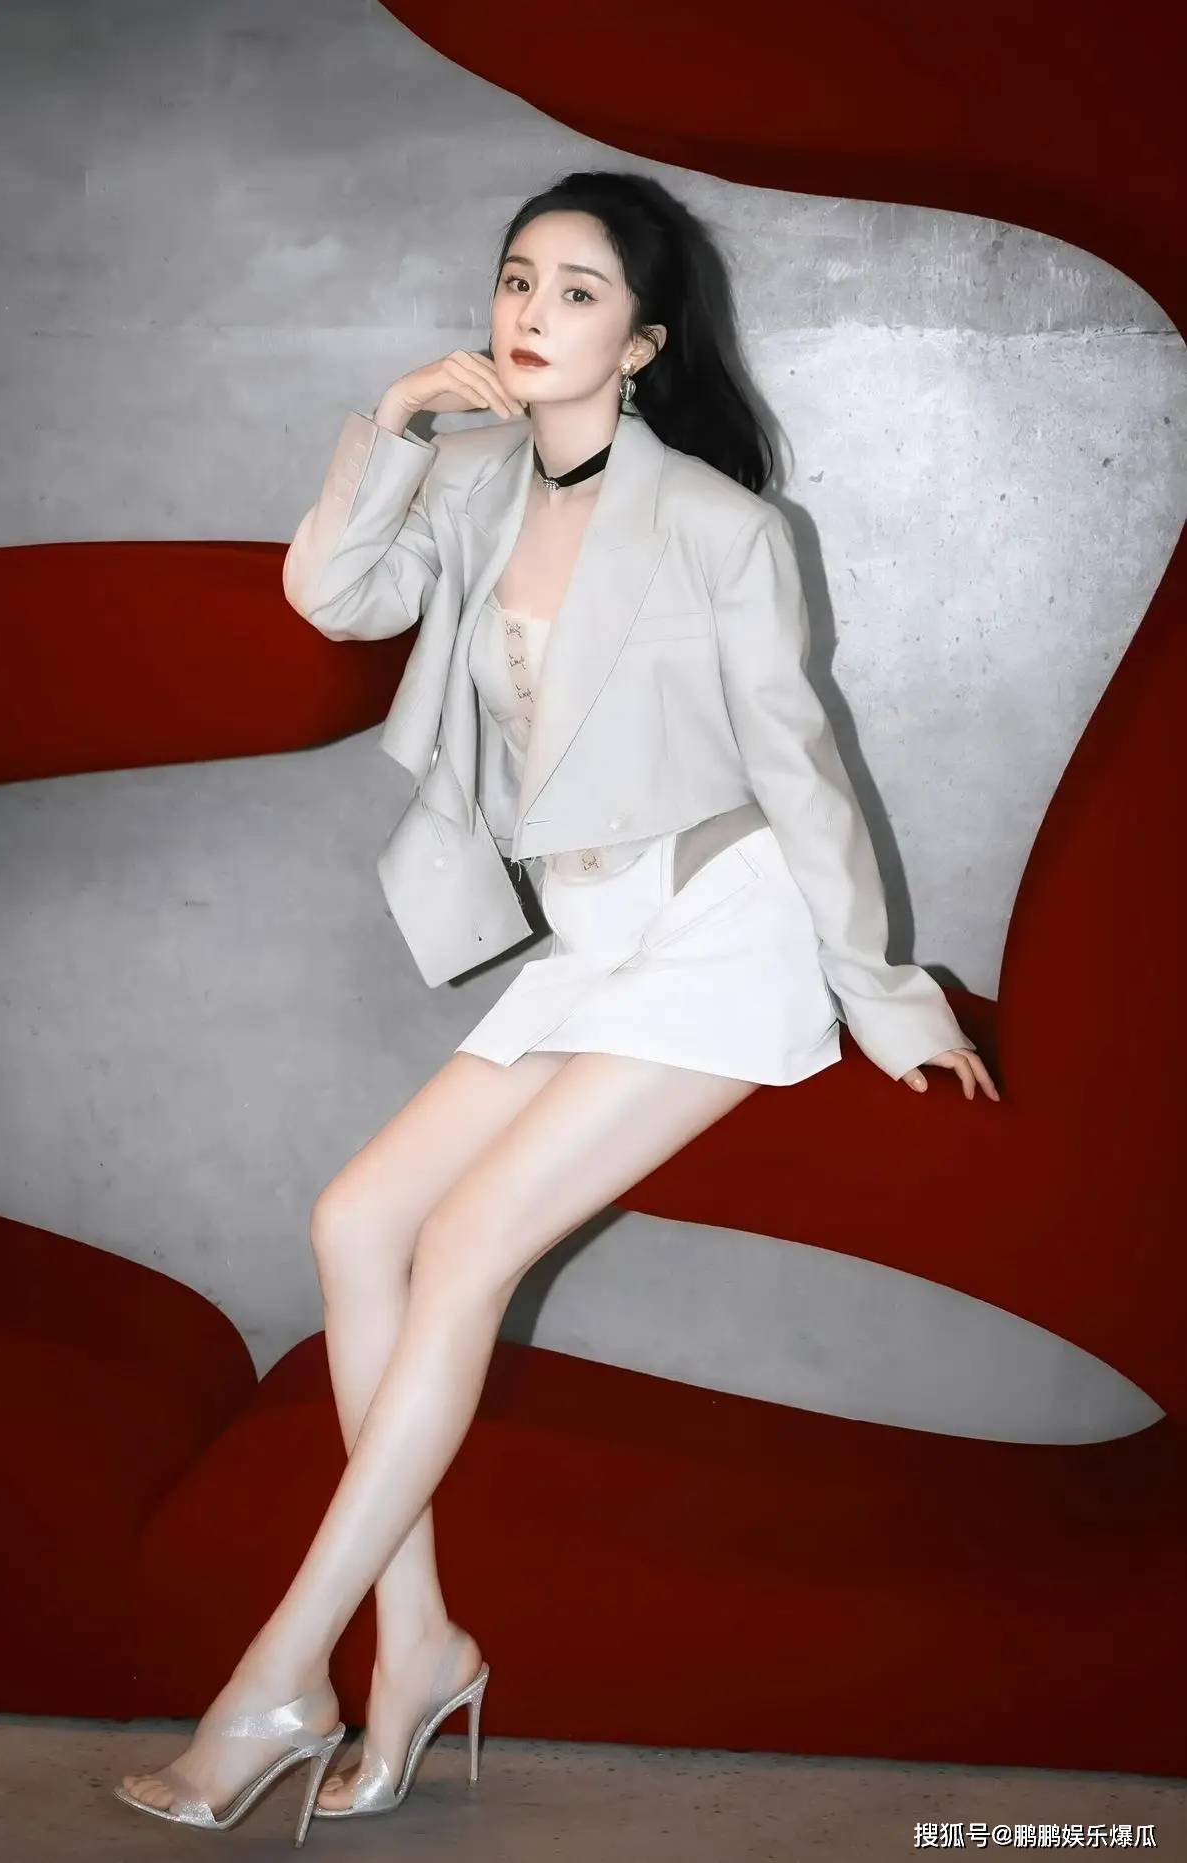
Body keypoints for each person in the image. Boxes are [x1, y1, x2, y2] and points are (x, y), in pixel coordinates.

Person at [114, 168, 999, 1839]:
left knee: (461, 1247)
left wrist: (888, 1001)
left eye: (577, 291)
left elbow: (801, 774)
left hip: (719, 924)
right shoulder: (465, 481)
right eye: (517, 278)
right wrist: (390, 422)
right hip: (587, 936)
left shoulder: (727, 530)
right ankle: (420, 1645)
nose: (530, 312)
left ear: (644, 343)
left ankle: (280, 1675)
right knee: (355, 1222)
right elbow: (337, 597)